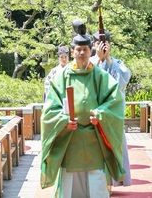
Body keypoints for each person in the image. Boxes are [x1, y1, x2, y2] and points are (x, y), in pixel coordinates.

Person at [41, 19, 125, 198]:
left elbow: (115, 100)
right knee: (70, 184)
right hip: (70, 138)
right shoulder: (61, 77)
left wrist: (101, 114)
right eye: (77, 49)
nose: (81, 53)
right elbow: (50, 109)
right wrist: (64, 121)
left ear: (90, 51)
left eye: (85, 50)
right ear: (72, 52)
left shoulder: (100, 75)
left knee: (95, 184)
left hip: (94, 137)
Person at [90, 31, 132, 187]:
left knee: (114, 147)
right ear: (94, 45)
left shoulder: (117, 63)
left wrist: (107, 59)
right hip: (94, 115)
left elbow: (121, 84)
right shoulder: (89, 63)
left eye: (105, 43)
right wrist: (99, 60)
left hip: (112, 116)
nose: (102, 46)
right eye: (99, 43)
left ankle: (112, 182)